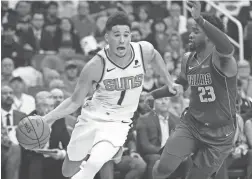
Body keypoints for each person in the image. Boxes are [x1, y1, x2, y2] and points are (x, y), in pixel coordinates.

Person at [35, 11, 177, 179]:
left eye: (126, 34)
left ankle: (109, 148)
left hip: (120, 120)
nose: (122, 40)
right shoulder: (96, 65)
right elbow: (74, 101)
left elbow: (155, 55)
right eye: (117, 35)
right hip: (93, 116)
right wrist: (48, 119)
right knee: (67, 171)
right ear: (107, 37)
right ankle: (105, 149)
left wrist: (169, 82)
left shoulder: (142, 50)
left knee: (94, 163)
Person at [144, 1, 238, 179]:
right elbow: (180, 85)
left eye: (196, 31)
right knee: (163, 168)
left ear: (209, 36)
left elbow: (228, 47)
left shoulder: (224, 61)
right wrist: (154, 94)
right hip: (192, 124)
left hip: (220, 133)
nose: (190, 35)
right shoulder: (188, 58)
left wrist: (200, 19)